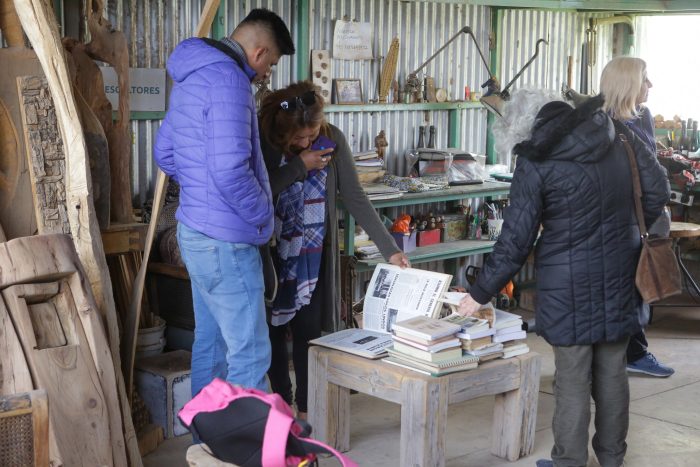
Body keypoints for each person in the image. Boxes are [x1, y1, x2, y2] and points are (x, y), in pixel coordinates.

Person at [456, 87, 670, 467]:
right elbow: (657, 190)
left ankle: (569, 462)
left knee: (572, 377)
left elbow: (516, 239)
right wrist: (623, 229)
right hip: (623, 272)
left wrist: (479, 292)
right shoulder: (619, 133)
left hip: (567, 283)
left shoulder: (536, 157)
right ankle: (611, 459)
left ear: (522, 127)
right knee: (612, 372)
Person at [153, 9, 295, 397]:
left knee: (211, 345)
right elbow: (231, 171)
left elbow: (164, 152)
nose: (268, 74)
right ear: (259, 52)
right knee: (249, 352)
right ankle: (245, 452)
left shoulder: (191, 77)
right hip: (227, 241)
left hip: (195, 232)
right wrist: (261, 214)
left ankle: (206, 442)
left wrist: (201, 190)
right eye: (272, 64)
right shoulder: (230, 81)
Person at [258, 81, 410, 418]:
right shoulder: (265, 140)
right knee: (271, 333)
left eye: (311, 134)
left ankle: (308, 411)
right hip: (269, 254)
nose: (306, 142)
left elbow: (354, 196)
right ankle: (282, 407)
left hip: (313, 255)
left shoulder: (332, 140)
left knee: (309, 334)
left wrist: (390, 249)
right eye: (298, 138)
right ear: (283, 130)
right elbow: (258, 191)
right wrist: (300, 166)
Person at [600, 56, 675, 378]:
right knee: (623, 289)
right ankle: (632, 353)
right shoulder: (600, 124)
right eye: (645, 78)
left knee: (641, 286)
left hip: (646, 216)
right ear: (628, 82)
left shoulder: (642, 118)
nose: (651, 85)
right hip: (620, 221)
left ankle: (634, 350)